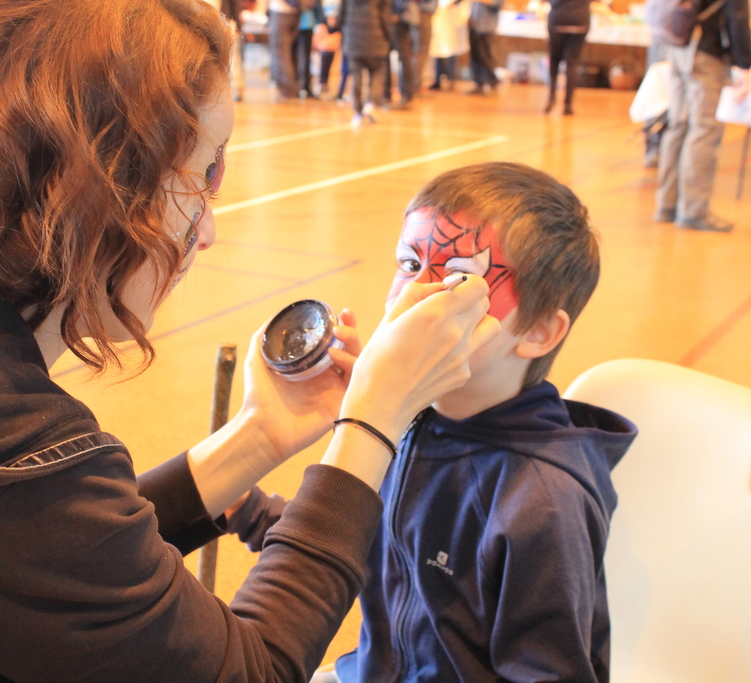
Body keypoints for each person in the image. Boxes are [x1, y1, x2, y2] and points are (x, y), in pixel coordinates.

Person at [0, 0, 500, 680]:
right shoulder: (1, 470)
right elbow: (248, 668)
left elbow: (53, 560)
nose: (208, 229)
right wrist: (373, 420)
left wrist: (259, 435)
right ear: (95, 192)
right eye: (202, 175)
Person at [234, 162, 639, 683]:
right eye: (409, 263)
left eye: (459, 278)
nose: (412, 297)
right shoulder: (407, 424)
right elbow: (364, 543)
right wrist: (251, 510)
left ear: (538, 330)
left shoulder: (543, 500)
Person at [653, 0, 750, 233]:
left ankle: (667, 205)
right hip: (705, 54)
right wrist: (745, 66)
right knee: (704, 131)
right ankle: (693, 210)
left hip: (677, 47)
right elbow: (738, 19)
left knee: (678, 125)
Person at [337, 0, 392, 125]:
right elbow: (385, 18)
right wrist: (389, 37)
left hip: (353, 39)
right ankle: (371, 103)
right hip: (376, 39)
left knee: (356, 76)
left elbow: (340, 17)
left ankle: (358, 110)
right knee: (377, 72)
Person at [544, 0, 591, 115]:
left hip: (558, 19)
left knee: (554, 61)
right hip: (580, 20)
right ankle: (568, 105)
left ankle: (551, 99)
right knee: (572, 63)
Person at [268, 0, 302, 99]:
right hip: (295, 12)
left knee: (281, 54)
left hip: (281, 12)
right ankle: (294, 88)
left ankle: (288, 90)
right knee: (290, 52)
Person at [467, 0, 502, 95]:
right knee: (475, 56)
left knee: (484, 56)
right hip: (475, 25)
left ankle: (492, 80)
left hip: (486, 27)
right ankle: (479, 83)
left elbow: (496, 4)